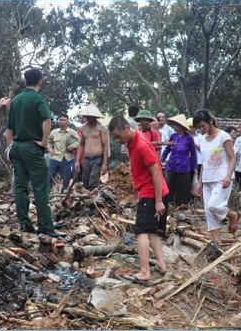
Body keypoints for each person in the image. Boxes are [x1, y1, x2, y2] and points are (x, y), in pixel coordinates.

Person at [109, 116, 168, 282]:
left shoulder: (142, 145)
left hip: (151, 193)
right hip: (149, 190)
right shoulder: (130, 142)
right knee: (152, 230)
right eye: (115, 138)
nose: (118, 140)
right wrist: (136, 183)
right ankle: (162, 265)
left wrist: (157, 201)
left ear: (127, 128)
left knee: (141, 231)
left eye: (118, 136)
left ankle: (144, 272)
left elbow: (156, 172)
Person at [7, 68, 65, 237]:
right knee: (40, 186)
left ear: (25, 82)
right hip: (32, 147)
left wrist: (9, 147)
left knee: (20, 185)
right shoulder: (38, 99)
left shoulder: (16, 100)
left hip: (17, 147)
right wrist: (44, 143)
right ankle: (45, 227)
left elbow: (10, 128)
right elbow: (46, 120)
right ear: (40, 82)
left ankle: (24, 224)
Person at [194, 109, 239, 244]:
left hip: (222, 177)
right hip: (207, 178)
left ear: (210, 121)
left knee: (214, 205)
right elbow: (204, 163)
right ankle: (217, 244)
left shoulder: (223, 136)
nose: (201, 129)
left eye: (203, 126)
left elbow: (232, 158)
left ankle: (232, 215)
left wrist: (228, 176)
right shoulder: (202, 139)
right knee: (209, 212)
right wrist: (199, 183)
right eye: (199, 127)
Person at [160, 114, 197, 206]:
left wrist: (194, 167)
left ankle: (180, 205)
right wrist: (162, 158)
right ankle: (168, 204)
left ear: (181, 126)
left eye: (176, 125)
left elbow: (193, 154)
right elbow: (168, 148)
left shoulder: (189, 138)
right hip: (172, 164)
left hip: (184, 166)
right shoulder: (173, 136)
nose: (175, 126)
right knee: (169, 184)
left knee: (182, 187)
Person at [75, 104, 109, 190]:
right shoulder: (82, 129)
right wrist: (77, 161)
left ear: (95, 117)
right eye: (87, 116)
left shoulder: (101, 128)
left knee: (93, 182)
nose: (89, 118)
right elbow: (81, 144)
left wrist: (105, 163)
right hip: (86, 159)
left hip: (98, 158)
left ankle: (96, 198)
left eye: (90, 116)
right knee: (85, 182)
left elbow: (105, 145)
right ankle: (87, 201)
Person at [48, 113, 80, 192]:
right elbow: (48, 142)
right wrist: (50, 150)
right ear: (58, 121)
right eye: (60, 120)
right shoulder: (53, 132)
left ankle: (63, 195)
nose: (62, 121)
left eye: (64, 120)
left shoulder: (72, 132)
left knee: (66, 179)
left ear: (67, 121)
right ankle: (47, 194)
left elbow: (79, 141)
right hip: (56, 158)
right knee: (49, 176)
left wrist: (73, 146)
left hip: (68, 158)